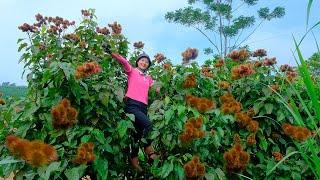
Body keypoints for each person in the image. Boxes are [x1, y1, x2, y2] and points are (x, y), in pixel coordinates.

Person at [103, 44, 160, 172]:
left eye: (146, 62)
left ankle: (134, 160)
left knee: (137, 135)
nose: (144, 63)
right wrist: (111, 52)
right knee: (148, 125)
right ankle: (148, 149)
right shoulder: (132, 71)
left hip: (143, 107)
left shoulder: (148, 78)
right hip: (132, 105)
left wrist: (158, 87)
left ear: (148, 65)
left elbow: (157, 86)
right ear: (138, 62)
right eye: (142, 60)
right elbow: (123, 61)